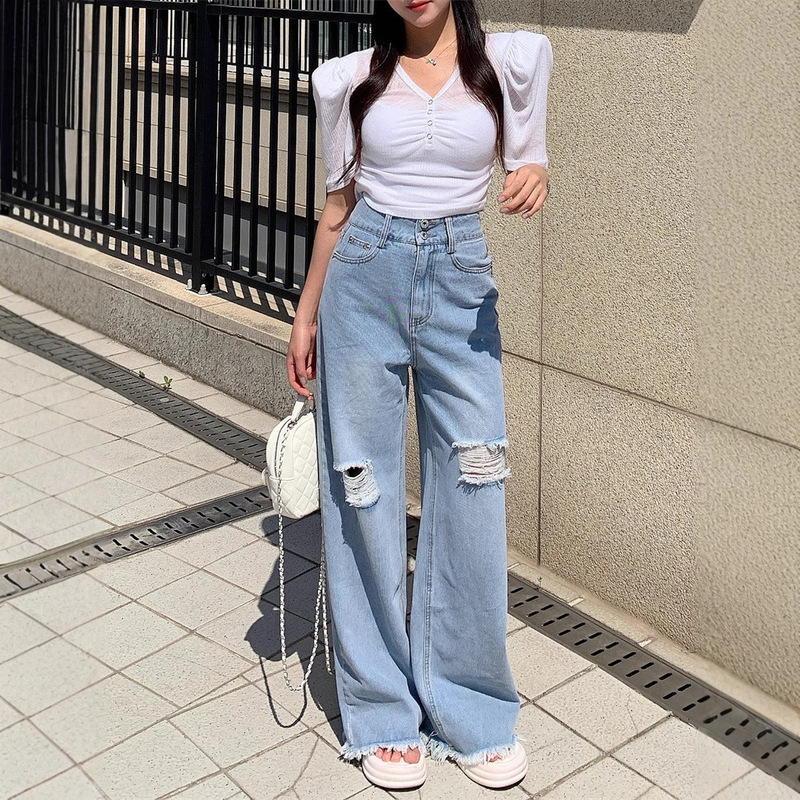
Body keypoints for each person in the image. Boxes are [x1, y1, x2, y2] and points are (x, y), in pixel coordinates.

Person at [286, 0, 552, 790]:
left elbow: (529, 159)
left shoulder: (508, 64)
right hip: (364, 277)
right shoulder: (351, 80)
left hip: (461, 281)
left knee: (475, 480)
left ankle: (470, 706)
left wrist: (534, 173)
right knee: (363, 487)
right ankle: (381, 711)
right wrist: (306, 315)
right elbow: (338, 207)